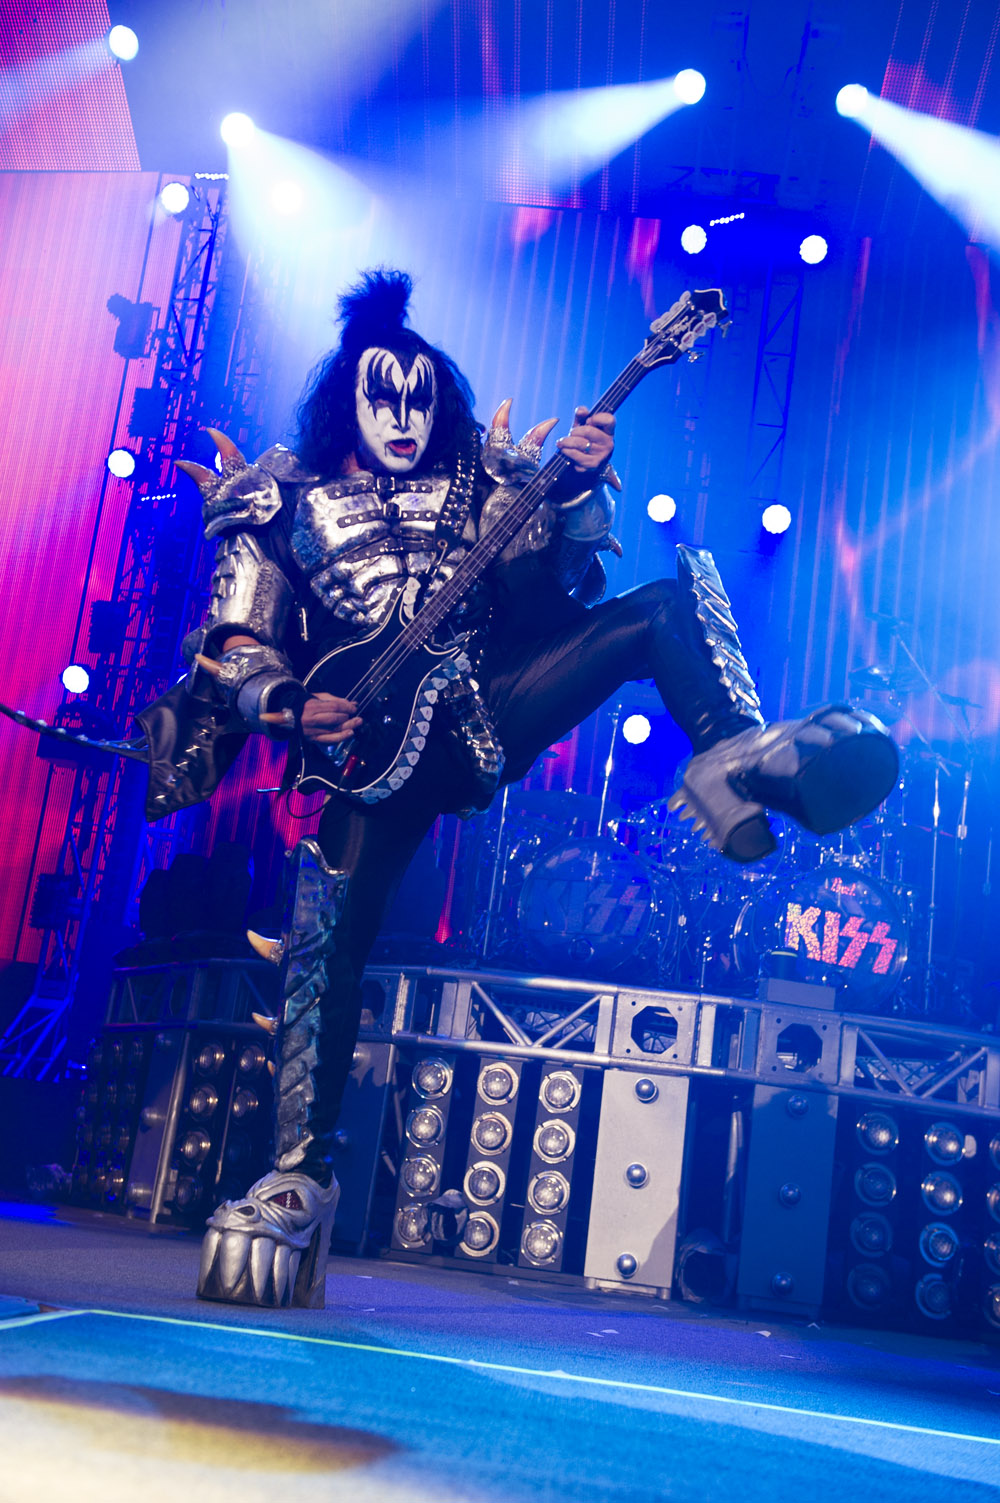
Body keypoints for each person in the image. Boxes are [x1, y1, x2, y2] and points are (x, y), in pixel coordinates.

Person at [143, 268, 896, 1308]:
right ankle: (298, 1177)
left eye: (420, 400)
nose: (404, 418)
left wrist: (579, 490)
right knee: (325, 945)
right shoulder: (281, 494)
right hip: (358, 742)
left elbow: (557, 595)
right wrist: (284, 703)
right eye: (382, 398)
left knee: (660, 605)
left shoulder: (485, 483)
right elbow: (234, 640)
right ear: (345, 402)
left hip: (484, 704)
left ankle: (735, 755)